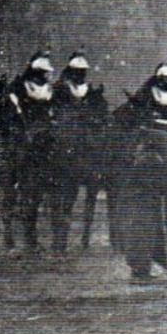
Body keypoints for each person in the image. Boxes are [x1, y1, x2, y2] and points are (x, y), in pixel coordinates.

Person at [110, 63, 167, 282]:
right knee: (142, 232)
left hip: (146, 199)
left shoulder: (150, 156)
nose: (166, 82)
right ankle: (139, 272)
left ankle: (143, 270)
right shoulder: (142, 155)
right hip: (140, 203)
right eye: (163, 78)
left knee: (147, 232)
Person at [50, 52, 105, 253]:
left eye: (84, 72)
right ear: (71, 72)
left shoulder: (88, 90)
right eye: (78, 72)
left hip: (84, 138)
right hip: (63, 133)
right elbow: (55, 109)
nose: (81, 75)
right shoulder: (60, 88)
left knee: (98, 144)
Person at [3, 51, 58, 251]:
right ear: (34, 72)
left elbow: (52, 111)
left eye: (46, 73)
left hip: (43, 136)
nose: (45, 76)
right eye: (42, 73)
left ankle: (31, 238)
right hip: (23, 135)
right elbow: (14, 113)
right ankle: (10, 236)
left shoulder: (49, 90)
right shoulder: (19, 88)